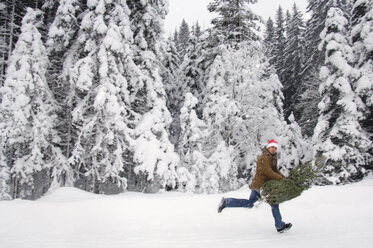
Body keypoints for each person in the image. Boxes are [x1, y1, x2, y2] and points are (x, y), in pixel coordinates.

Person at [217, 139, 292, 233]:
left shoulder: (272, 157)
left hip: (258, 185)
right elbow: (268, 172)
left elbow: (275, 170)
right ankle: (279, 225)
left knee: (249, 203)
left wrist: (285, 178)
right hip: (261, 186)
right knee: (274, 204)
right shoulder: (263, 158)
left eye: (275, 148)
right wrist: (282, 180)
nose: (274, 149)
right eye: (272, 147)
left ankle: (227, 202)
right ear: (268, 147)